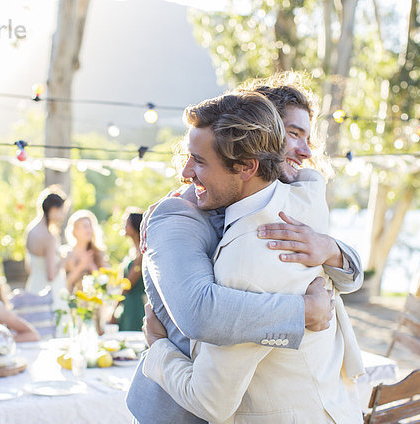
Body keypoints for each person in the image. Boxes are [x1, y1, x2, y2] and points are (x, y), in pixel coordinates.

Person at [126, 73, 363, 424]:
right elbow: (200, 311)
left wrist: (330, 249)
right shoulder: (181, 214)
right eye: (293, 134)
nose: (306, 151)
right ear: (259, 133)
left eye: (307, 137)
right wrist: (302, 312)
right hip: (177, 413)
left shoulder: (298, 200)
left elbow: (349, 275)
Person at [25, 187, 68, 310]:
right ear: (53, 210)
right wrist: (65, 259)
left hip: (33, 286)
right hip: (49, 292)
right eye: (61, 211)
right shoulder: (48, 237)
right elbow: (51, 275)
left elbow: (29, 266)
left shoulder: (31, 230)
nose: (62, 215)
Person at [64, 209, 107, 292]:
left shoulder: (98, 252)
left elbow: (104, 284)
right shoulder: (68, 254)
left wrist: (91, 266)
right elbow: (66, 283)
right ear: (75, 231)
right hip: (74, 301)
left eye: (90, 226)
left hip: (94, 301)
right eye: (85, 226)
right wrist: (81, 265)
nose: (89, 230)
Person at [117, 209, 145, 331]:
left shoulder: (142, 253)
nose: (124, 226)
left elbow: (128, 284)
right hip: (127, 304)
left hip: (136, 306)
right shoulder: (132, 252)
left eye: (127, 223)